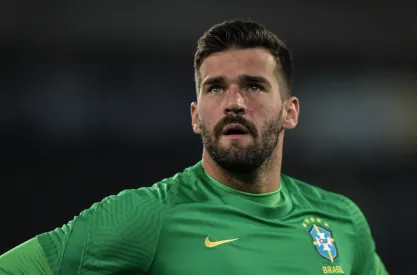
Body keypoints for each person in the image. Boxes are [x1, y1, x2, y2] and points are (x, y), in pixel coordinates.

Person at [0, 20, 388, 275]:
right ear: (195, 115)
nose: (233, 102)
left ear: (290, 112)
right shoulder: (148, 216)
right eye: (215, 88)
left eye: (253, 85)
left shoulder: (340, 221)